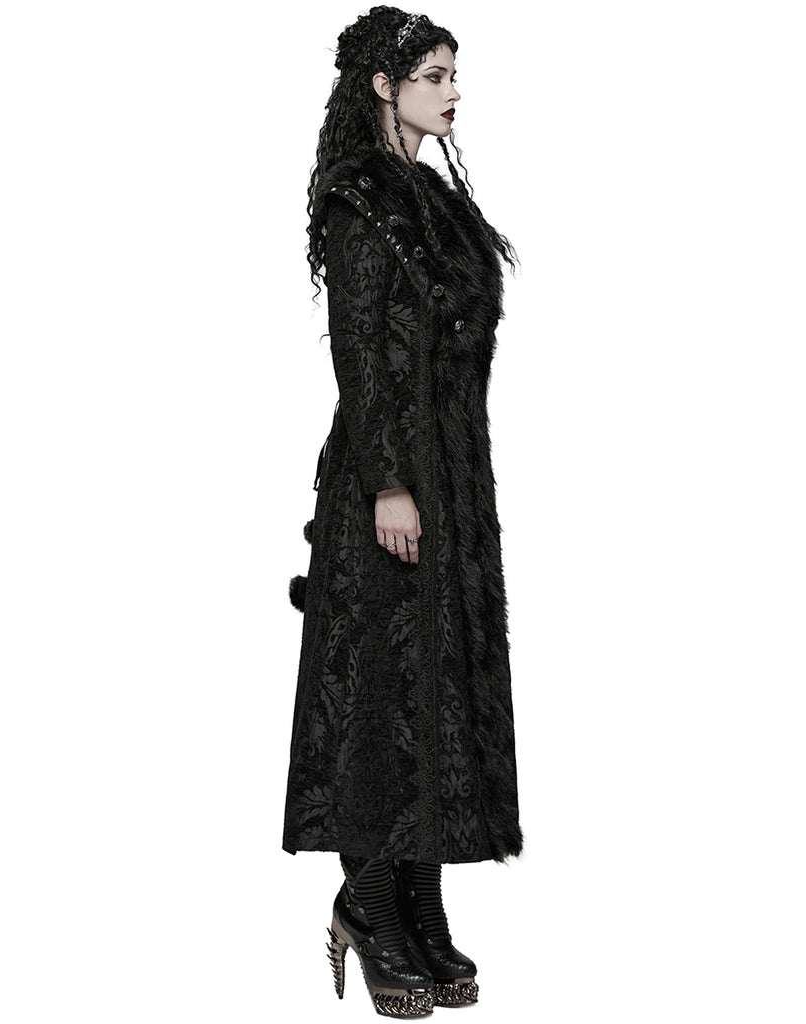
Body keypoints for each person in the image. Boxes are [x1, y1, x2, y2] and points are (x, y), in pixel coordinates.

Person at [283, 7, 523, 1017]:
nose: (453, 91)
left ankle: (419, 905)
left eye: (454, 74)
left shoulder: (435, 199)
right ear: (383, 86)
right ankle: (369, 905)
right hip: (390, 478)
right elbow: (360, 350)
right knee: (383, 687)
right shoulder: (360, 198)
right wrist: (389, 480)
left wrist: (444, 477)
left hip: (454, 471)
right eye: (433, 75)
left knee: (438, 687)